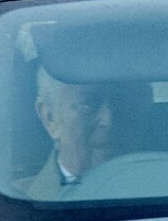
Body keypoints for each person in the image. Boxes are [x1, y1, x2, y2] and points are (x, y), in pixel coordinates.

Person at [14, 66, 152, 199]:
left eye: (123, 102)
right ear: (49, 117)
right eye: (87, 105)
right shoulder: (13, 203)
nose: (108, 122)